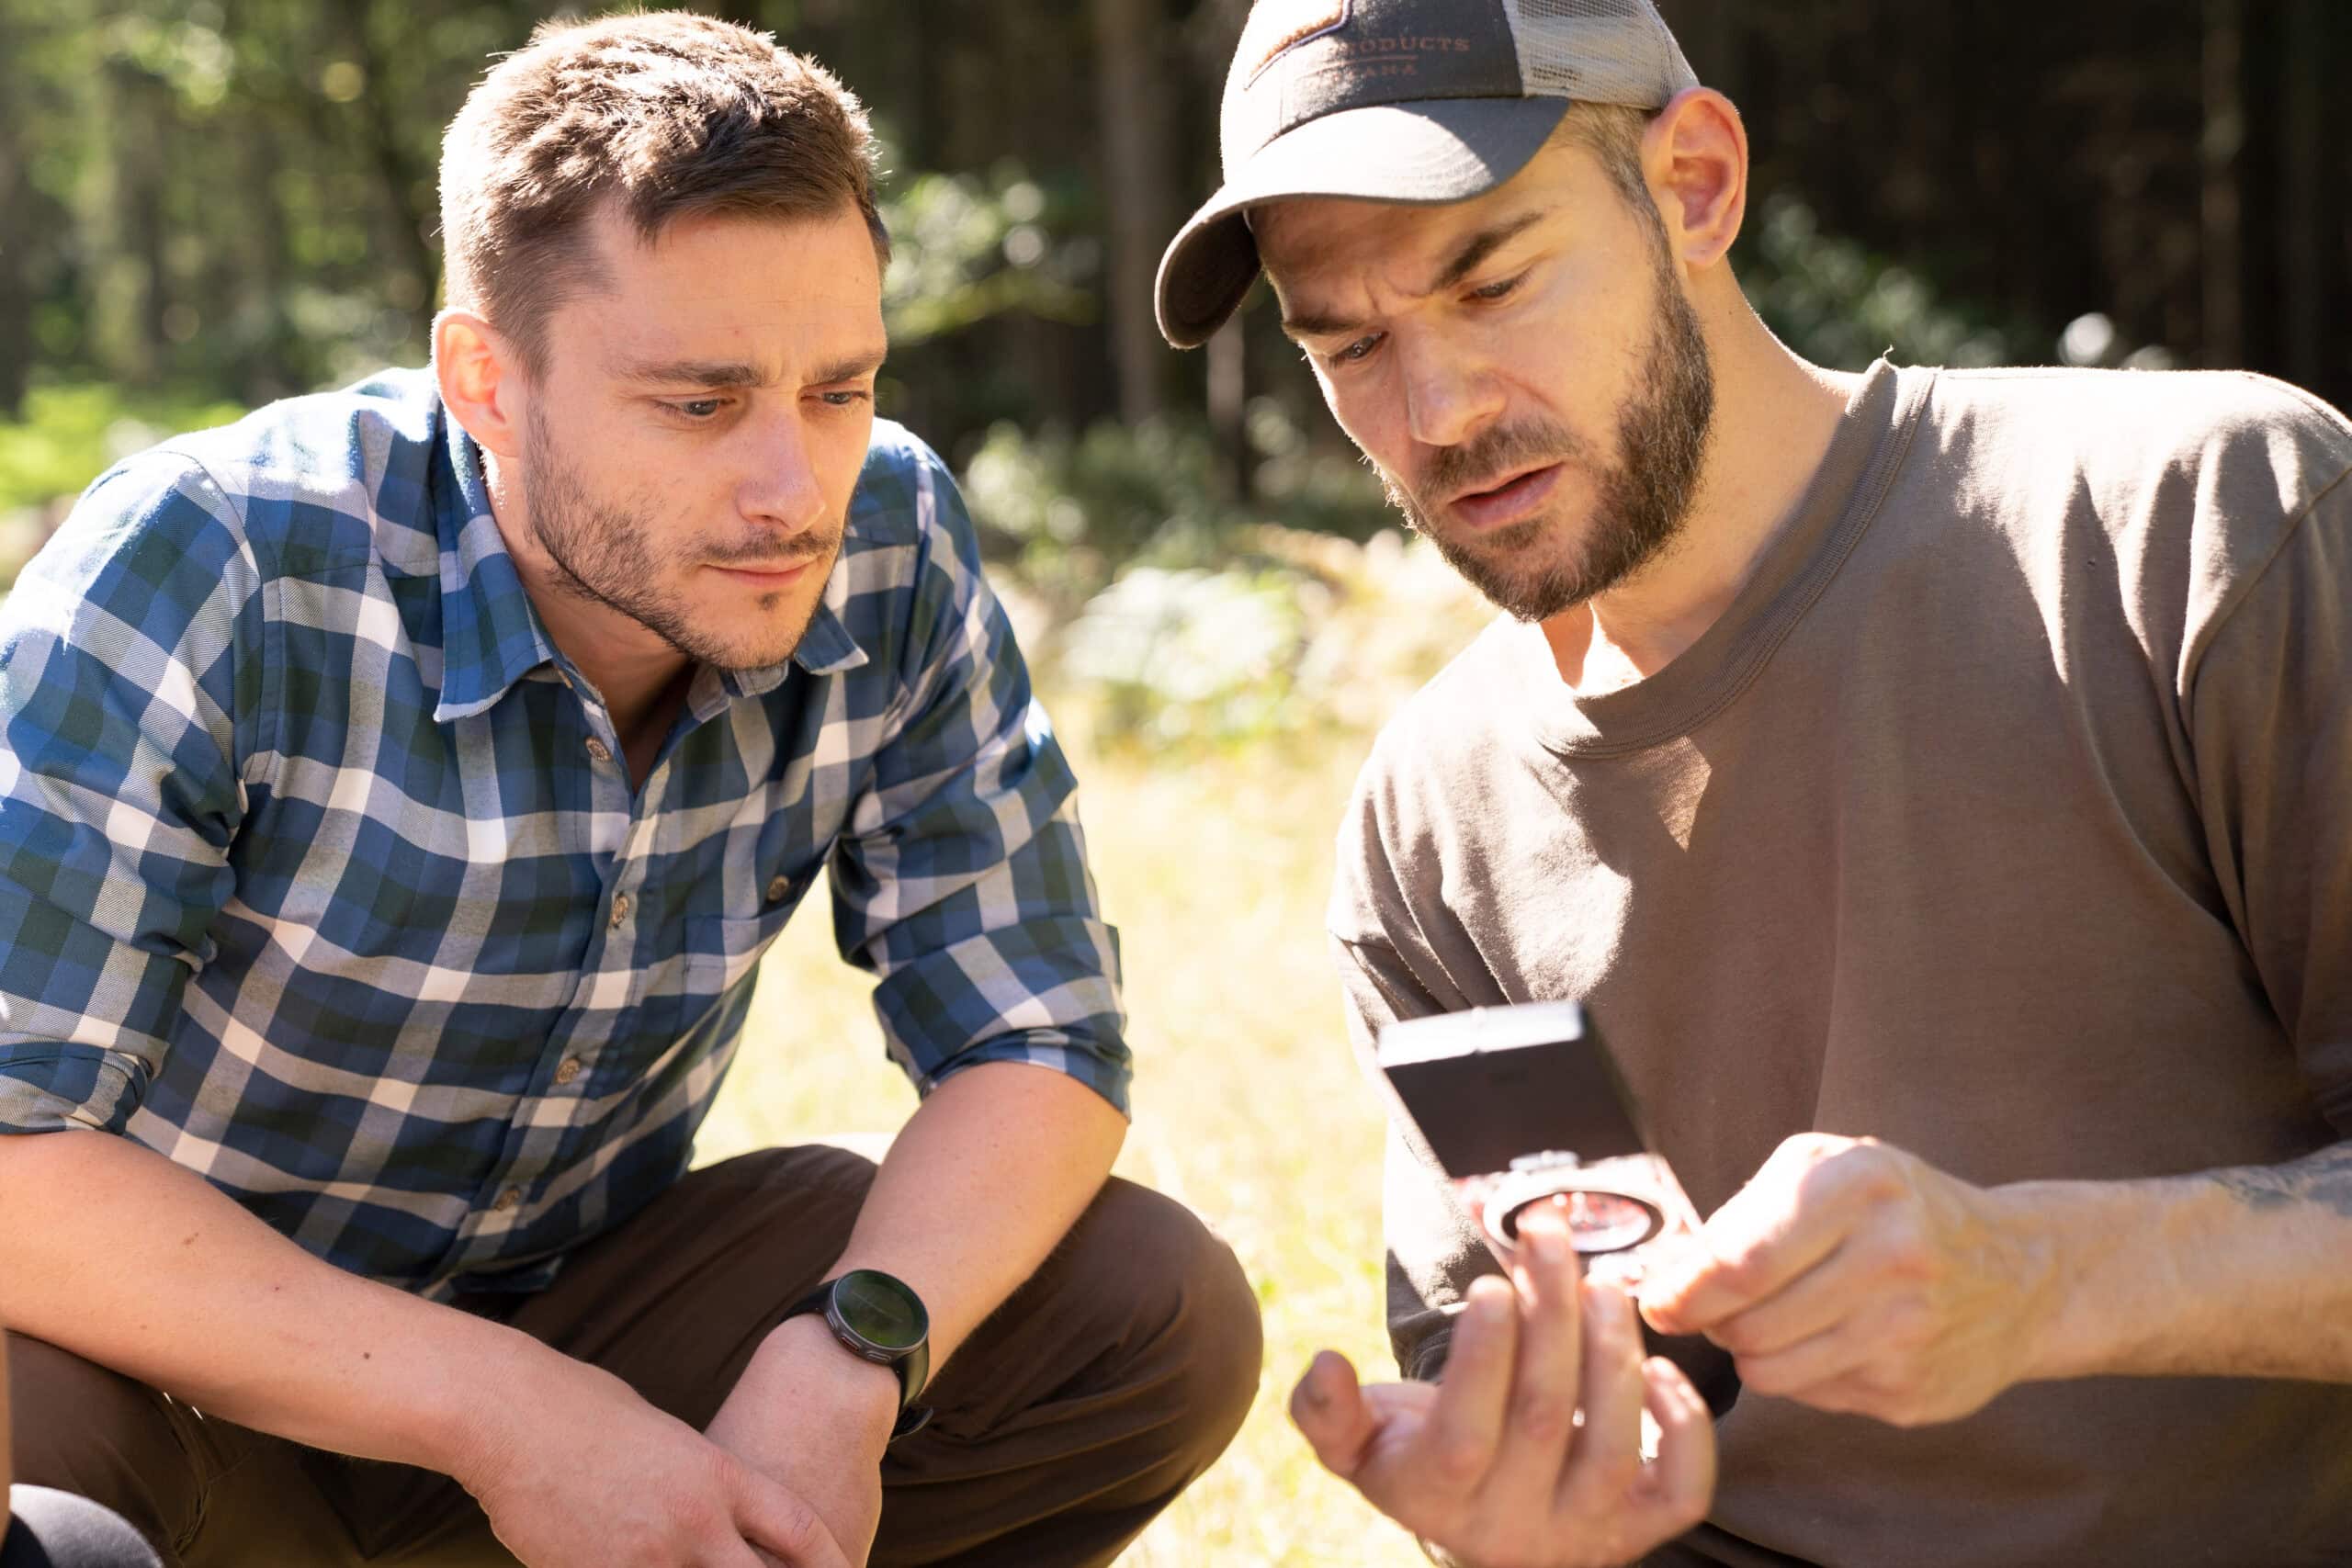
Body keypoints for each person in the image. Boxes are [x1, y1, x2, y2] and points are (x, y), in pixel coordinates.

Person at [0, 13, 1261, 1568]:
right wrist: (510, 1416)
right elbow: (7, 1149)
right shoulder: (215, 558)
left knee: (1146, 1304)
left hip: (585, 1316)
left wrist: (854, 1356)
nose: (793, 489)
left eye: (839, 389)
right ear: (486, 379)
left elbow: (1040, 1036)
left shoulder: (889, 537)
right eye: (699, 401)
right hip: (171, 1388)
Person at [1157, 1, 2352, 1564]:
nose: (1438, 416)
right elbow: (1545, 1408)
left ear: (1697, 183)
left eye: (1494, 279)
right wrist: (1516, 1498)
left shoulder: (2195, 527)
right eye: (1351, 345)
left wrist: (2046, 1278)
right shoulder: (1430, 822)